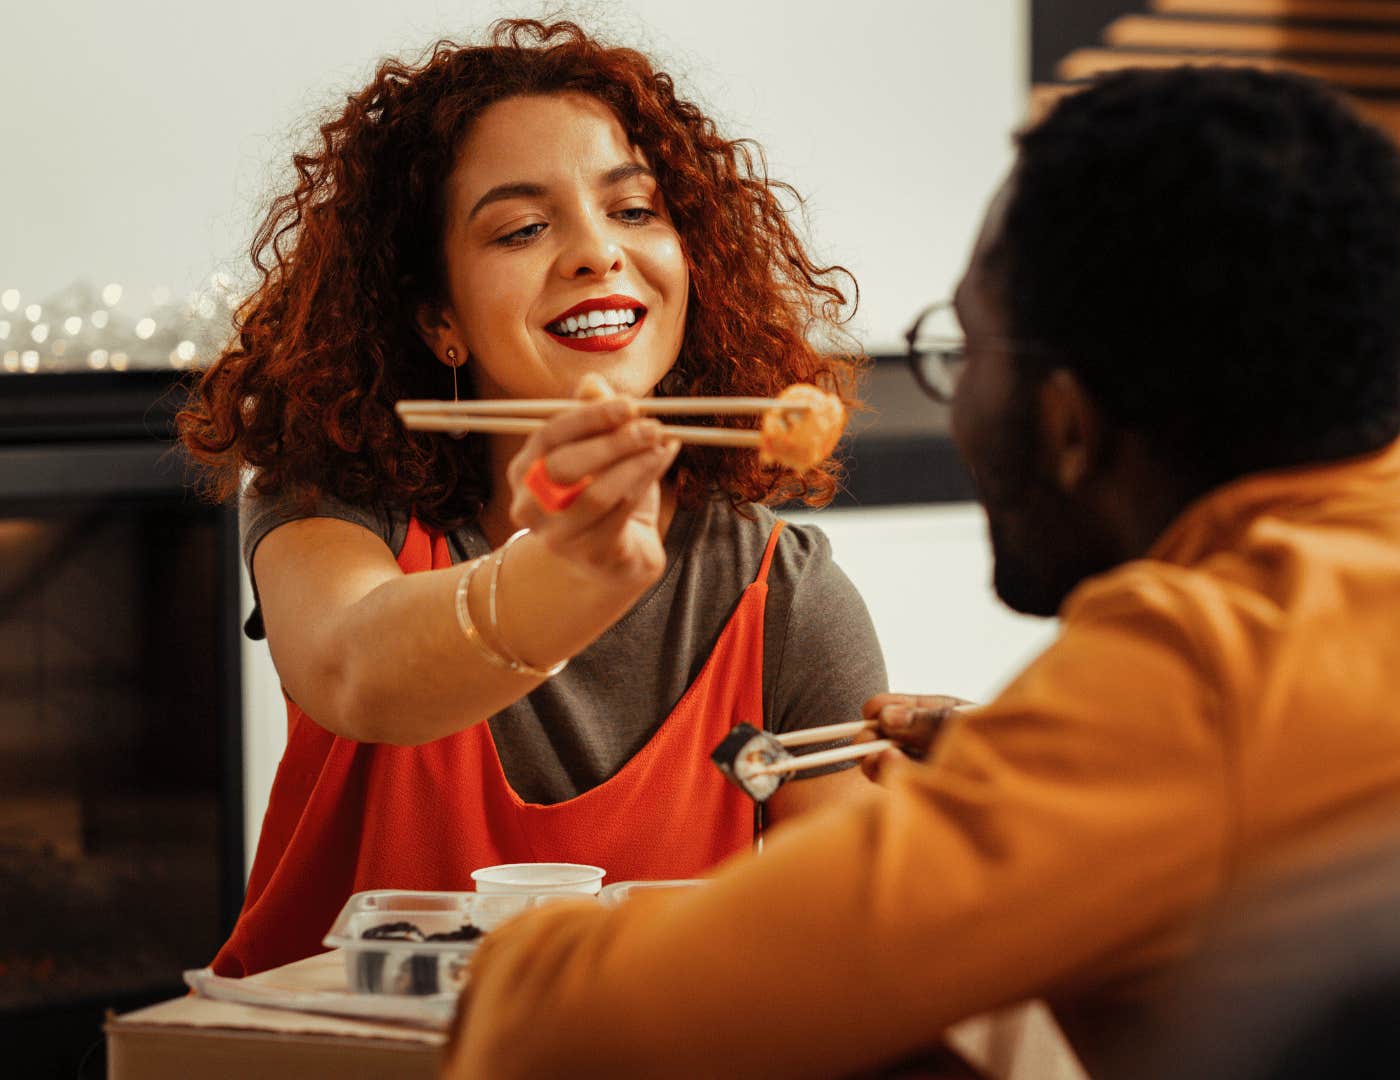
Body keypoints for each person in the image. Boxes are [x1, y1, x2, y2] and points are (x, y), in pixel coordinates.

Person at [441, 66, 1400, 1077]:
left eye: (960, 349)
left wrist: (503, 963)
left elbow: (574, 1031)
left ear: (1067, 418)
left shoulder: (1192, 680)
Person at [177, 18, 885, 978]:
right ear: (440, 320)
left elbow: (844, 938)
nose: (599, 253)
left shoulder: (782, 590)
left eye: (635, 210)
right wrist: (561, 577)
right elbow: (355, 672)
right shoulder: (334, 501)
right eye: (522, 227)